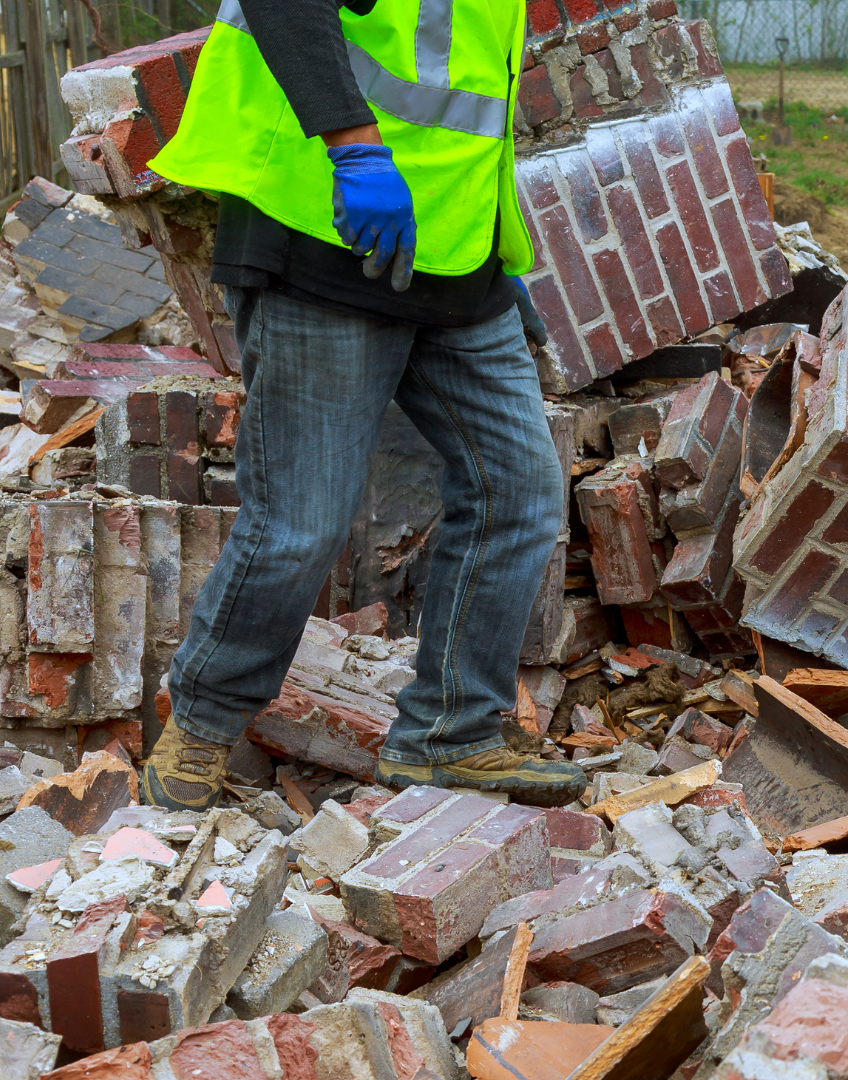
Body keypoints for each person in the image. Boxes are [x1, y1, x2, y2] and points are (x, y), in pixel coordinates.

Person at [137, 0, 588, 808]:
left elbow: (464, 101)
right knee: (302, 522)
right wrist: (354, 148)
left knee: (518, 492)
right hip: (324, 221)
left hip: (450, 253)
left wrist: (491, 245)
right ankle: (201, 727)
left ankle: (450, 736)